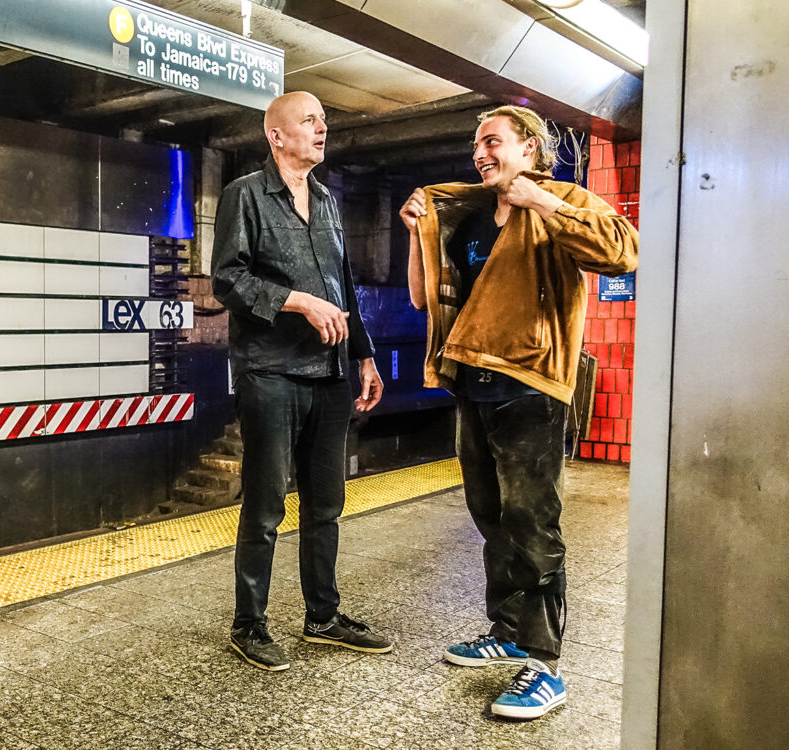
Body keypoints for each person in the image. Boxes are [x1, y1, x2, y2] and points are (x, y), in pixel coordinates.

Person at [399, 106, 638, 718]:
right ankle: (506, 632)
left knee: (533, 524)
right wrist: (415, 234)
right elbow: (424, 298)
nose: (480, 153)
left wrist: (543, 202)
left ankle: (543, 663)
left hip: (531, 384)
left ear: (529, 147)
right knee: (492, 518)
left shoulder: (563, 199)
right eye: (476, 145)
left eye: (492, 141)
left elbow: (622, 252)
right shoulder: (471, 215)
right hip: (471, 381)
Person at [211, 91, 391, 672]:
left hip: (330, 372)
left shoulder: (327, 200)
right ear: (277, 136)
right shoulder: (245, 195)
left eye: (323, 121)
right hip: (270, 370)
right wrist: (297, 302)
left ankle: (323, 617)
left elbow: (343, 286)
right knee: (266, 504)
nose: (322, 128)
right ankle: (249, 625)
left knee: (326, 503)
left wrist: (364, 356)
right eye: (310, 121)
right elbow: (227, 279)